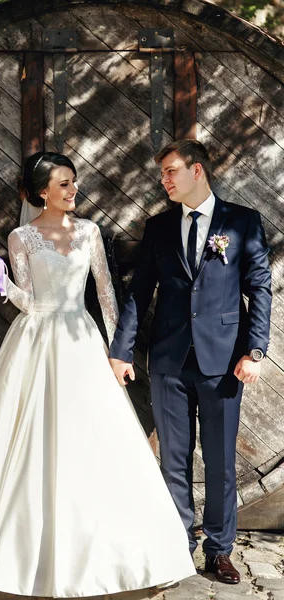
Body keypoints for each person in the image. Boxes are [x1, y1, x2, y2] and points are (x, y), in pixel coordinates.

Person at [0, 152, 195, 597]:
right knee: (31, 440)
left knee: (92, 437)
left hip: (81, 340)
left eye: (73, 182)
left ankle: (121, 558)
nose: (73, 190)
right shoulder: (21, 237)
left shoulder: (89, 232)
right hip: (35, 339)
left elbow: (107, 291)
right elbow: (27, 300)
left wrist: (118, 350)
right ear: (42, 192)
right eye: (64, 184)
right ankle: (22, 561)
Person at [109, 140, 272, 585]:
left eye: (170, 171)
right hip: (169, 359)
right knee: (173, 461)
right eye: (162, 173)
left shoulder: (242, 222)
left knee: (219, 461)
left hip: (225, 363)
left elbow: (259, 288)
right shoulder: (159, 226)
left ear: (196, 170)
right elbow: (139, 292)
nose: (164, 180)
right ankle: (178, 544)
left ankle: (220, 549)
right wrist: (121, 351)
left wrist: (255, 351)